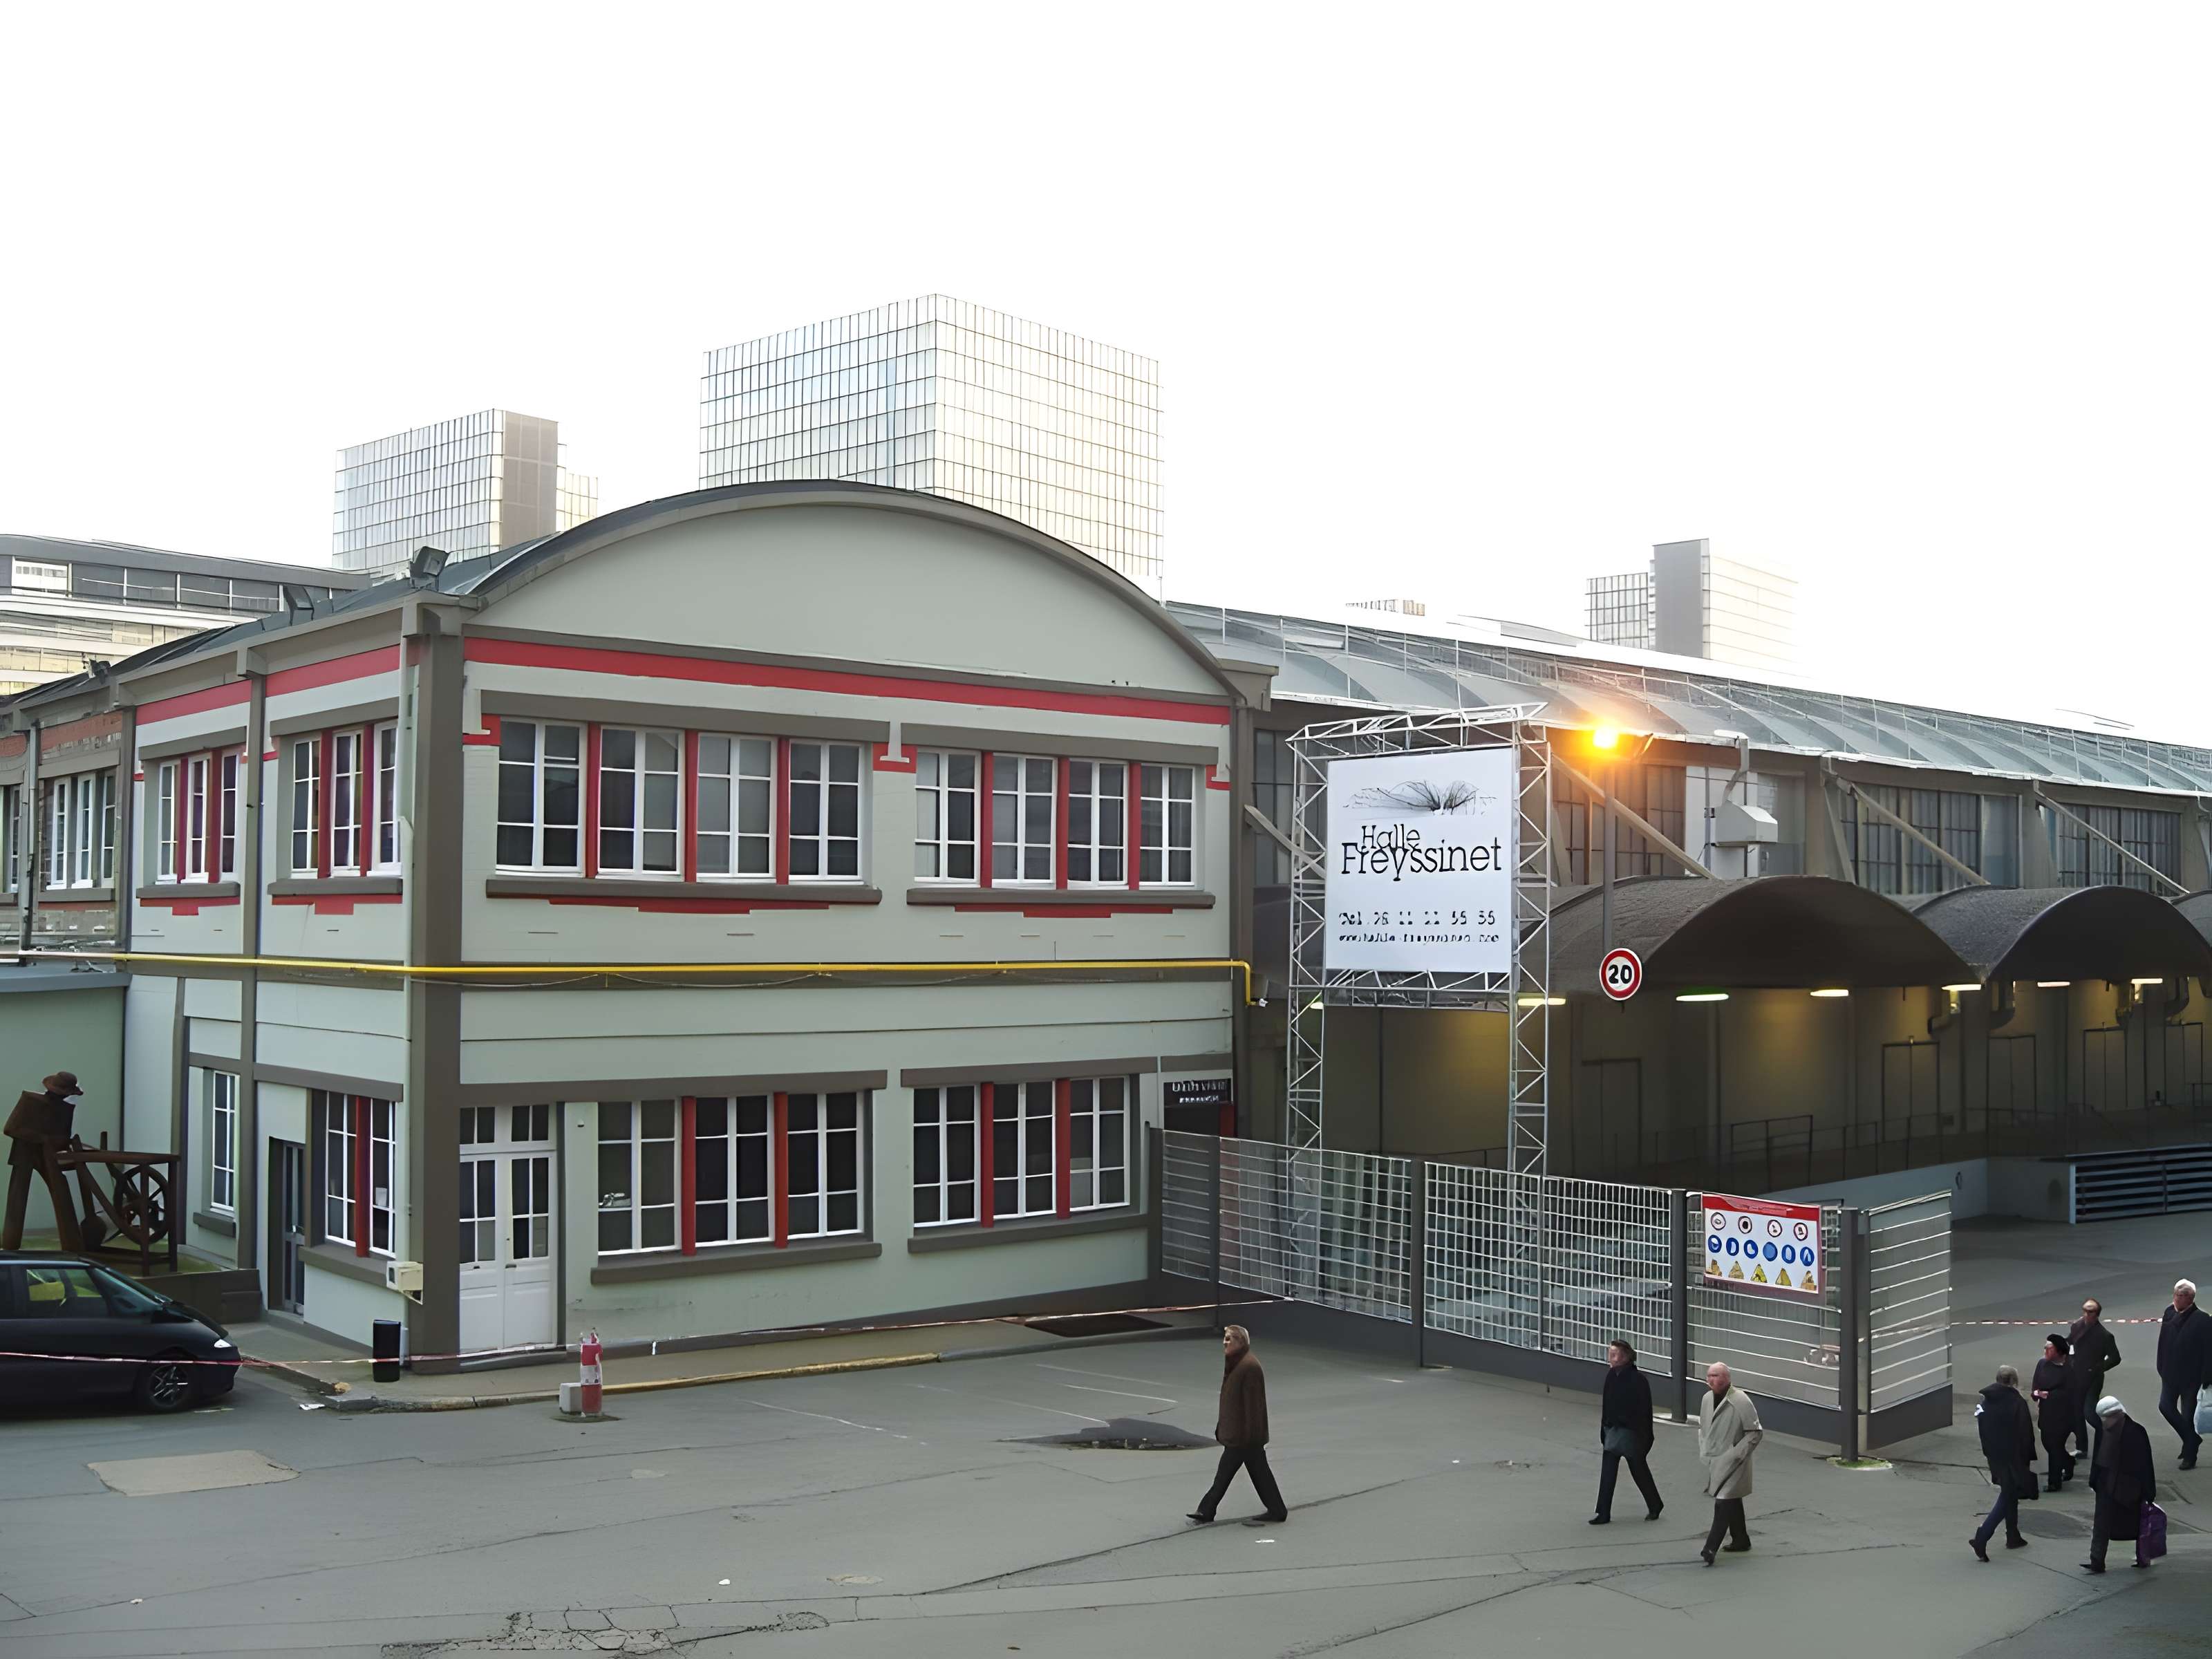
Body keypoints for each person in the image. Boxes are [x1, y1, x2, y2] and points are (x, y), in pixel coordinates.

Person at [1188, 1325, 1287, 1528]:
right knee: (1259, 1474)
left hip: (1244, 1438)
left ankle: (1206, 1510)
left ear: (1241, 1343)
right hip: (1242, 1436)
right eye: (1225, 1338)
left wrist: (1250, 1437)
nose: (1225, 1342)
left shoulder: (1249, 1367)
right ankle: (1277, 1510)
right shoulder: (1238, 1363)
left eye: (1229, 1339)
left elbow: (1254, 1406)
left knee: (1225, 1476)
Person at [2, 1071, 87, 1251]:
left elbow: (64, 1136)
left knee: (61, 1191)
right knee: (17, 1198)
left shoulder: (66, 1110)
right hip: (24, 1154)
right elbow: (10, 1129)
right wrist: (43, 1138)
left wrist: (61, 1142)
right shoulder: (30, 1100)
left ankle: (73, 1245)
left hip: (49, 1157)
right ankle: (10, 1244)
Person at [1969, 1365, 2038, 1561]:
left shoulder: (1986, 1401)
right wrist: (2027, 1458)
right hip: (2014, 1457)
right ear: (2013, 1381)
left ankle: (2013, 1535)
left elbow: (1982, 1428)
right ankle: (1983, 1536)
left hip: (1994, 1455)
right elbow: (2026, 1434)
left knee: (2010, 1492)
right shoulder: (2017, 1402)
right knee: (2009, 1494)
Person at [1591, 1338, 1662, 1524]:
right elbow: (1607, 1405)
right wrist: (1605, 1427)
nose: (1611, 1358)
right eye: (1610, 1354)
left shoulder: (1638, 1380)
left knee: (1637, 1468)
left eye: (1614, 1355)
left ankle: (1654, 1504)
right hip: (1614, 1430)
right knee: (1611, 1469)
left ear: (1625, 1358)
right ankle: (1604, 1512)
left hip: (1631, 1432)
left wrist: (1640, 1434)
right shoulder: (1611, 1376)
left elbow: (1642, 1411)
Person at [1697, 1361, 1762, 1565]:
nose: (1711, 1379)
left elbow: (1755, 1433)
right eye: (1709, 1375)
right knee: (1731, 1498)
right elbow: (1704, 1427)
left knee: (1723, 1501)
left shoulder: (1741, 1400)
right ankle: (1741, 1539)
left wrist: (1737, 1454)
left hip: (1735, 1461)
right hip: (1714, 1458)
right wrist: (1704, 1449)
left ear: (1727, 1378)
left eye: (1715, 1375)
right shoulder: (1707, 1399)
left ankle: (1710, 1548)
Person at [2083, 1395, 2156, 1574]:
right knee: (2136, 1523)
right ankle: (2139, 1558)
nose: (2105, 1422)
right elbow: (2146, 1463)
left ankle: (2098, 1561)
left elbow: (2098, 1459)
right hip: (2122, 1485)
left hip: (2116, 1484)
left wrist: (2095, 1480)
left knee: (2103, 1523)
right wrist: (2148, 1491)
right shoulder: (2136, 1431)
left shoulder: (2118, 1431)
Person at [2154, 1280, 2211, 1470]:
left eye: (2180, 1296)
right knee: (2165, 1407)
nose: (2176, 1299)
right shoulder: (2169, 1313)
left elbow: (2208, 1351)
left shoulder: (2203, 1320)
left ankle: (2190, 1455)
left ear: (2190, 1298)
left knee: (2187, 1416)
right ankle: (2192, 1440)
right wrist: (2160, 1365)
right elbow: (2163, 1340)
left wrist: (2207, 1377)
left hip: (2191, 1378)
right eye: (2175, 1295)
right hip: (2169, 1374)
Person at [2068, 1300, 2121, 1460]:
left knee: (2089, 1413)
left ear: (2097, 1315)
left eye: (2090, 1312)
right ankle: (2081, 1448)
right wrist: (2069, 1358)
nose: (2086, 1314)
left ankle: (2108, 1437)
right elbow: (2070, 1342)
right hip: (2076, 1375)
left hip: (2093, 1379)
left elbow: (2115, 1358)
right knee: (2077, 1412)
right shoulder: (2077, 1326)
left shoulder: (2104, 1335)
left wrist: (2099, 1368)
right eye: (2085, 1311)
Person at [2031, 1335, 2079, 1491]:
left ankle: (2054, 1482)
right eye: (2045, 1347)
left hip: (2063, 1415)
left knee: (2055, 1445)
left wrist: (2050, 1395)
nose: (2045, 1350)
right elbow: (2035, 1385)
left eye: (2049, 1348)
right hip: (2046, 1413)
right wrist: (2036, 1393)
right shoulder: (2042, 1364)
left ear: (2059, 1351)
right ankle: (2068, 1462)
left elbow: (2071, 1393)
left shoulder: (2069, 1369)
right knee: (2048, 1444)